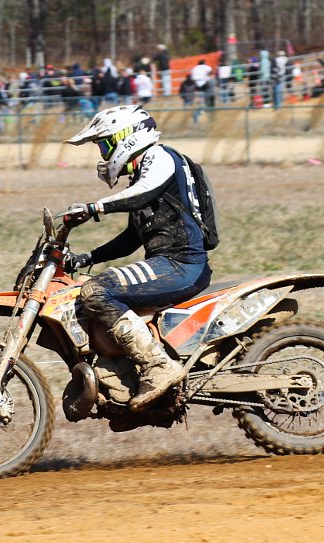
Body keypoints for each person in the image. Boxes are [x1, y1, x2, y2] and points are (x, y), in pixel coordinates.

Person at [62, 105, 213, 411]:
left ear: (126, 137)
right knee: (88, 289)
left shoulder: (160, 157)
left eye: (104, 145)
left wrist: (95, 207)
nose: (103, 155)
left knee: (96, 290)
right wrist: (86, 258)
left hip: (181, 264)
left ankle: (158, 366)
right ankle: (119, 372)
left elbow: (144, 192)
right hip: (168, 264)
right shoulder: (143, 175)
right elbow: (132, 238)